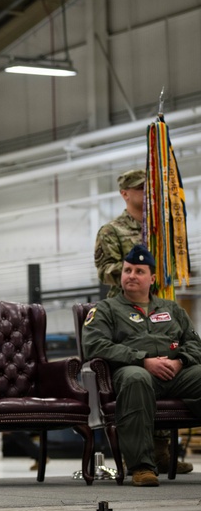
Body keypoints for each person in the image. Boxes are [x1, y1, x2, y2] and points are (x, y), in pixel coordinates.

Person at [93, 168, 193, 474]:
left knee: (168, 365)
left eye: (148, 188)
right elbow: (103, 269)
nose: (146, 193)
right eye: (139, 189)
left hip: (160, 305)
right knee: (138, 378)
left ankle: (162, 453)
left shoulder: (161, 229)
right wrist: (137, 272)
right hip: (126, 313)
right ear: (125, 193)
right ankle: (138, 457)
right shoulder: (112, 231)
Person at [81, 245, 201, 487]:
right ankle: (142, 466)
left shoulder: (172, 309)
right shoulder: (106, 309)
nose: (131, 275)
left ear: (152, 278)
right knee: (137, 378)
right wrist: (143, 359)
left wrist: (180, 362)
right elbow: (94, 346)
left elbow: (194, 344)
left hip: (176, 373)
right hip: (132, 372)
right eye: (127, 270)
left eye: (139, 271)